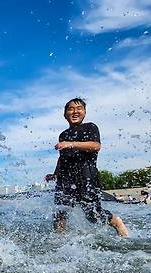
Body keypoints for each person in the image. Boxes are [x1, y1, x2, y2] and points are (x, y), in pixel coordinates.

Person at [45, 98, 129, 237]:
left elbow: (96, 146)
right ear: (65, 114)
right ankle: (58, 242)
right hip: (65, 178)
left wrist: (71, 144)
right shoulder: (63, 135)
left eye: (79, 109)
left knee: (92, 215)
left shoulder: (90, 127)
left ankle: (116, 222)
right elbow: (62, 157)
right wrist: (55, 174)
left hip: (86, 175)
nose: (75, 111)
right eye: (71, 109)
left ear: (84, 112)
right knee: (59, 212)